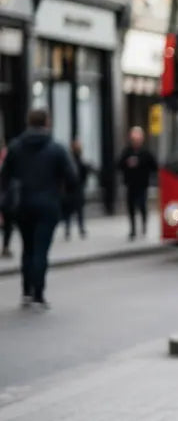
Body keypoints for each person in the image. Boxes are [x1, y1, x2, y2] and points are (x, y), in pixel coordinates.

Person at [0, 109, 78, 309]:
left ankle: (26, 291)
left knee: (27, 248)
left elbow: (4, 176)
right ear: (46, 123)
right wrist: (64, 197)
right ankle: (38, 292)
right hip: (48, 204)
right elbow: (72, 177)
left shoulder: (16, 147)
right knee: (41, 249)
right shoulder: (56, 149)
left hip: (22, 205)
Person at [117, 126, 157, 240]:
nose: (135, 141)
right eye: (133, 139)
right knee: (131, 207)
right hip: (130, 184)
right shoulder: (127, 151)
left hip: (142, 184)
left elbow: (154, 166)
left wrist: (141, 163)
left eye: (137, 139)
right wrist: (127, 163)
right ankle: (133, 229)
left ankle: (143, 226)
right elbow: (119, 164)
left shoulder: (146, 152)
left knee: (142, 205)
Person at [63, 139, 94, 241]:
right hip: (71, 188)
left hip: (77, 188)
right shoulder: (70, 159)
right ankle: (69, 229)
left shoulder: (79, 159)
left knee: (78, 210)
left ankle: (79, 229)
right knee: (70, 211)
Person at [0, 142, 13, 258]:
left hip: (6, 198)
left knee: (8, 225)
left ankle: (5, 246)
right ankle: (5, 247)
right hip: (6, 198)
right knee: (8, 225)